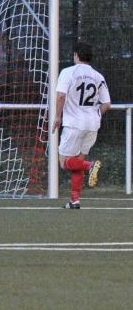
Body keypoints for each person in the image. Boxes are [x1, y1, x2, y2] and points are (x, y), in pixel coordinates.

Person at [53, 41, 110, 209]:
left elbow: (61, 96)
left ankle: (90, 165)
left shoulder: (68, 72)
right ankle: (74, 201)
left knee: (65, 162)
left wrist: (57, 117)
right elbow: (107, 104)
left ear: (76, 55)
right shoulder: (98, 76)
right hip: (92, 125)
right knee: (78, 159)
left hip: (74, 124)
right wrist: (96, 114)